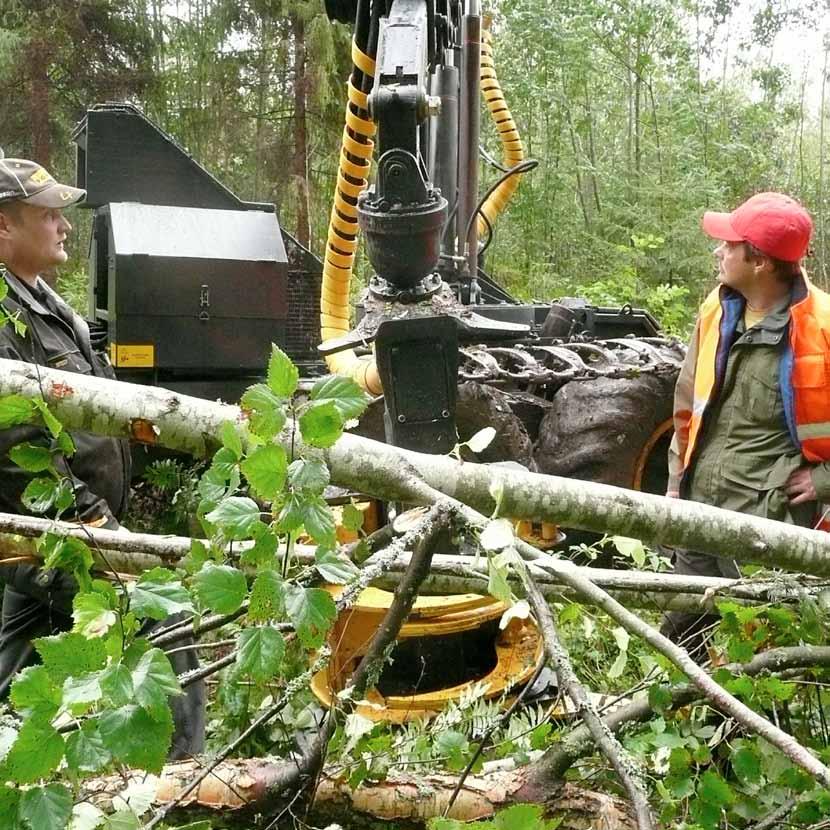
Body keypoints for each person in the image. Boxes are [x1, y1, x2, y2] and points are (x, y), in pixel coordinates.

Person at [0, 154, 204, 756]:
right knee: (162, 617)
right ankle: (182, 783)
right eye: (49, 214)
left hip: (49, 533)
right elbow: (16, 444)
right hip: (55, 529)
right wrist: (92, 526)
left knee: (22, 660)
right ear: (4, 226)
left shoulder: (45, 306)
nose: (64, 226)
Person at [662, 191, 830, 661]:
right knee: (679, 634)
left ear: (759, 261)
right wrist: (677, 481)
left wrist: (823, 480)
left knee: (759, 652)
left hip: (764, 521)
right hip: (700, 508)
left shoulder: (822, 328)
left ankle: (756, 731)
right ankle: (682, 725)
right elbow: (687, 404)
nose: (719, 251)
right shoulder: (716, 310)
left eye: (729, 244)